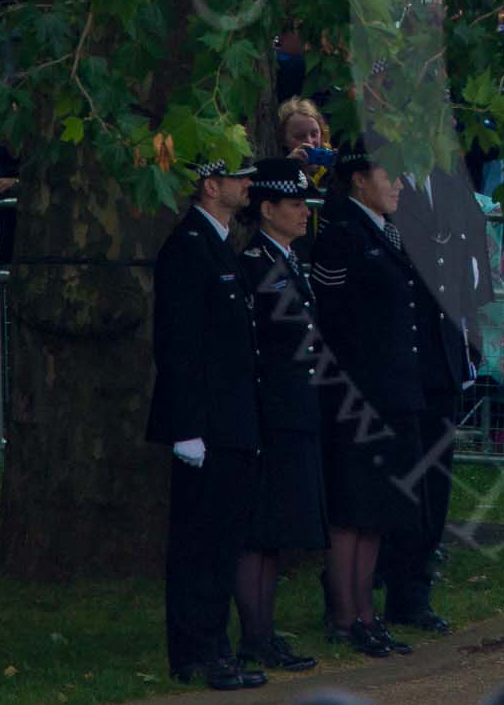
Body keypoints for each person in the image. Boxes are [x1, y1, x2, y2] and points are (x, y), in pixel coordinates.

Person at [143, 157, 267, 692]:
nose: (248, 187)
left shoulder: (217, 244)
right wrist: (186, 427)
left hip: (231, 419)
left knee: (222, 539)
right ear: (211, 186)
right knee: (200, 540)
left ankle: (213, 645)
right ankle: (195, 650)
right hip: (207, 423)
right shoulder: (188, 247)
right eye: (239, 178)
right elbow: (180, 345)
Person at [307, 149, 425, 659]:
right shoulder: (341, 236)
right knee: (352, 507)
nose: (398, 184)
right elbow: (332, 322)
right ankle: (344, 614)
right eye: (387, 175)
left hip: (396, 390)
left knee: (378, 508)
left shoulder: (387, 233)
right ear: (358, 181)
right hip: (358, 392)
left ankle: (367, 614)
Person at [376, 150, 491, 635]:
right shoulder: (382, 175)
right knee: (400, 478)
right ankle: (380, 582)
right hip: (400, 355)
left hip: (443, 355)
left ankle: (415, 589)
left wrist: (473, 336)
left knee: (435, 483)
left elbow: (474, 269)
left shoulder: (449, 184)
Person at [232, 159, 324, 674]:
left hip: (295, 404)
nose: (303, 214)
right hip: (271, 408)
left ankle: (264, 633)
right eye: (293, 205)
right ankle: (255, 635)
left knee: (275, 529)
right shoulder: (255, 264)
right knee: (259, 529)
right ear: (266, 209)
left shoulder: (287, 258)